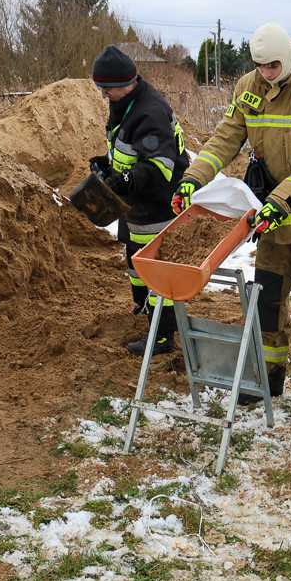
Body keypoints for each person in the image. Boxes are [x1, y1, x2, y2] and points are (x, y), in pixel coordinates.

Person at [172, 23, 291, 424]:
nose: (266, 73)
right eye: (259, 66)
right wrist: (192, 178)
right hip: (272, 223)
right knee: (266, 306)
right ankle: (270, 378)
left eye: (273, 66)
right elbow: (225, 137)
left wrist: (281, 199)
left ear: (289, 57)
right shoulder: (248, 86)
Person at [89, 45, 189, 356]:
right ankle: (144, 309)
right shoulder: (126, 103)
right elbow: (126, 146)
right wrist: (109, 167)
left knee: (159, 270)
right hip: (135, 200)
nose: (103, 96)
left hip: (160, 201)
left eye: (107, 89)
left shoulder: (150, 111)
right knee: (136, 261)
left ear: (125, 84)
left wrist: (128, 179)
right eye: (100, 89)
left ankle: (163, 333)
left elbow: (160, 165)